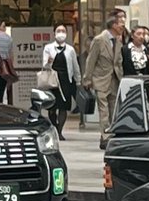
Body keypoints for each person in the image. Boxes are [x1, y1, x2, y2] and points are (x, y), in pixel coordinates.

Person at [81, 14, 125, 147]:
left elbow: (118, 61)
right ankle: (105, 135)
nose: (123, 26)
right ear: (114, 25)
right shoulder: (99, 40)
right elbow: (91, 60)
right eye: (121, 24)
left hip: (114, 79)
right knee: (103, 109)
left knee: (113, 108)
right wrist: (87, 79)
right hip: (100, 79)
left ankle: (110, 133)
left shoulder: (118, 41)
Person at [41, 25, 80, 139]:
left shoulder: (70, 49)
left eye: (63, 31)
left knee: (63, 107)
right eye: (58, 31)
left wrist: (78, 81)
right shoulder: (48, 48)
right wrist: (48, 62)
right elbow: (44, 65)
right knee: (52, 107)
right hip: (52, 80)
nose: (61, 33)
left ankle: (59, 131)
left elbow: (75, 66)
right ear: (54, 33)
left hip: (66, 81)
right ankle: (55, 126)